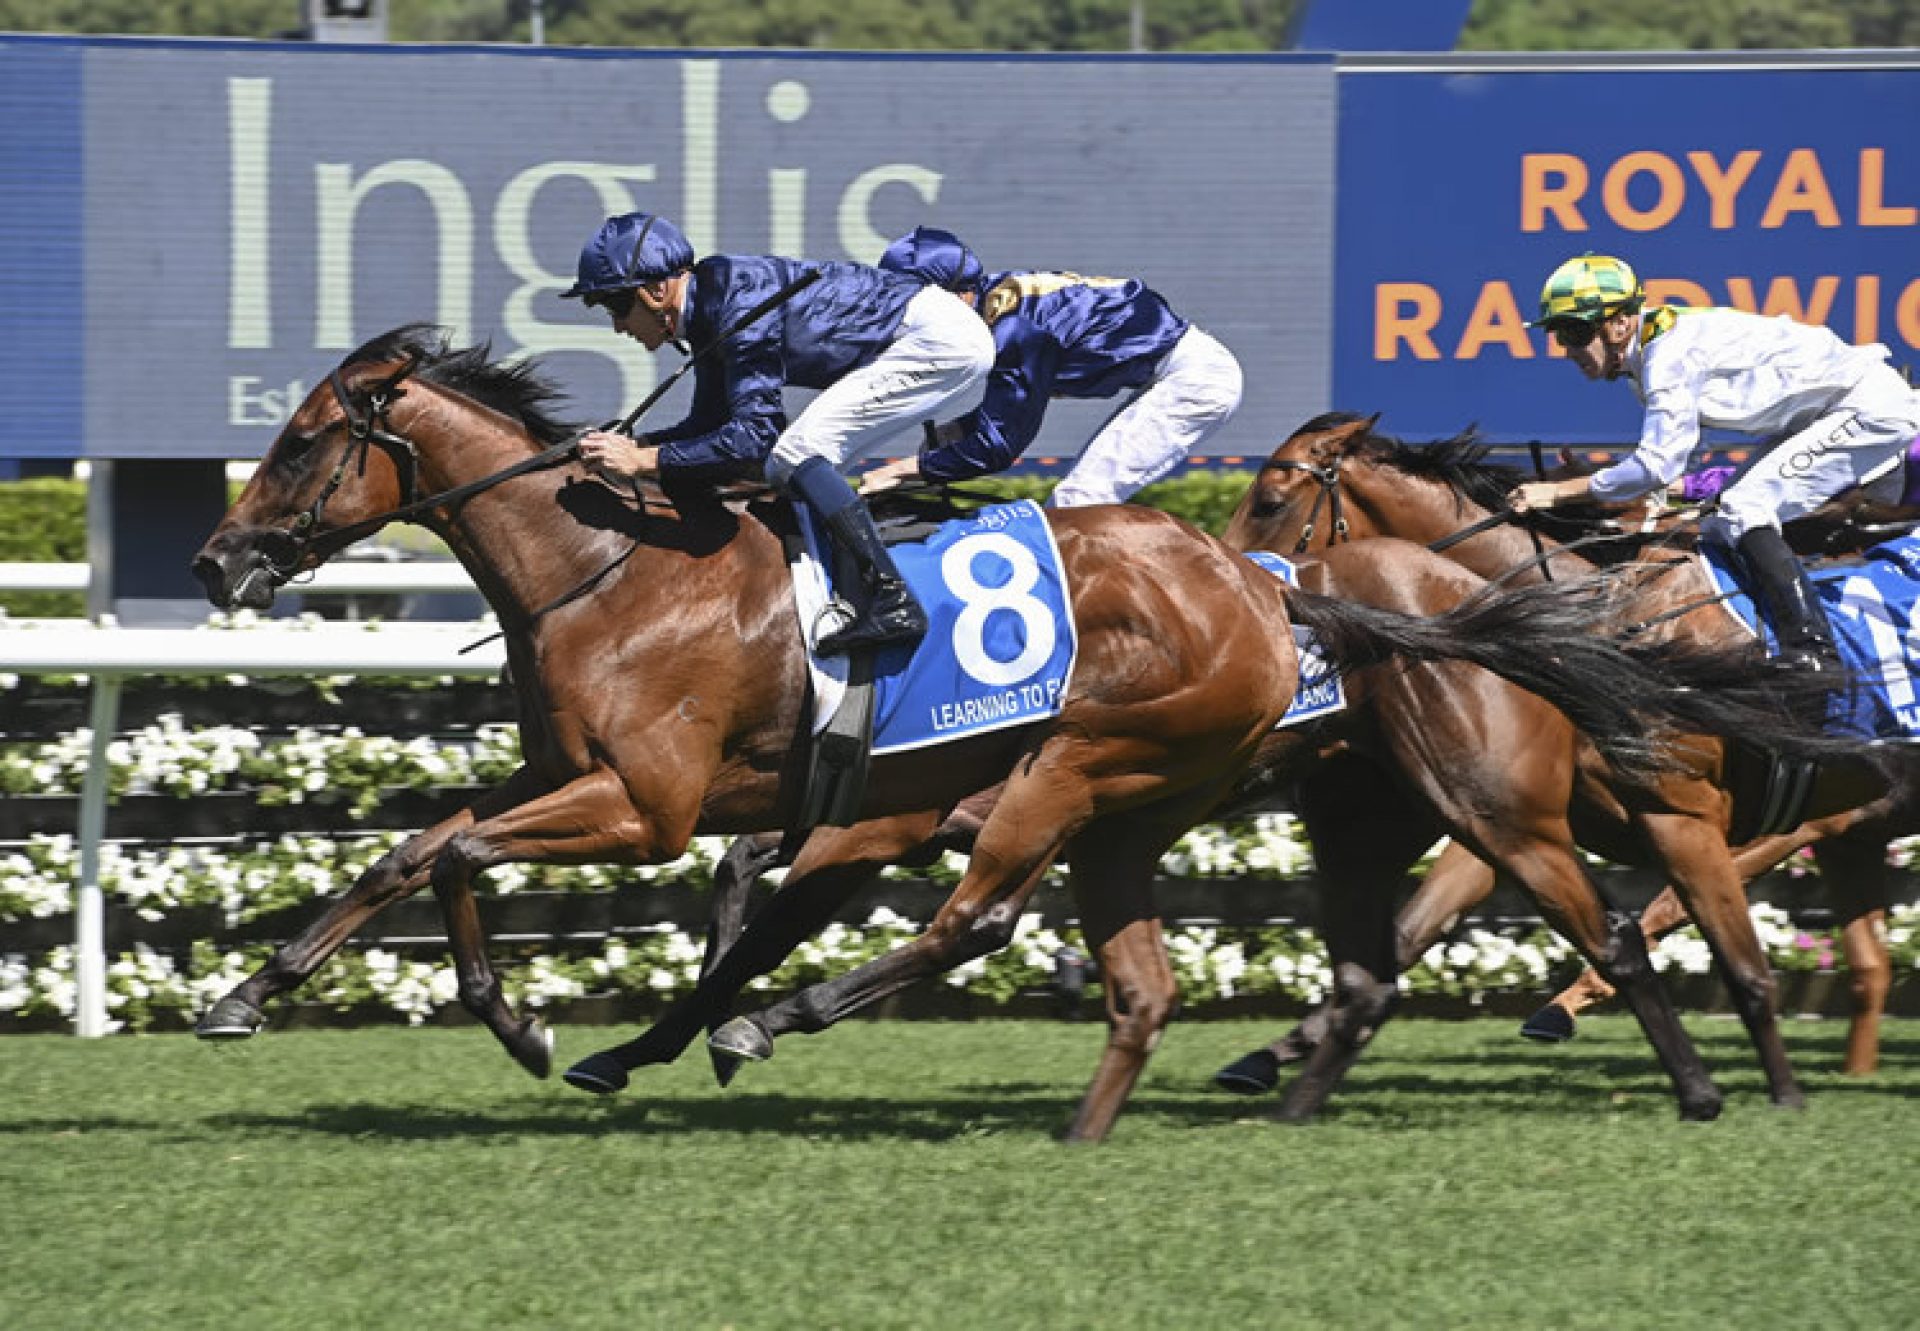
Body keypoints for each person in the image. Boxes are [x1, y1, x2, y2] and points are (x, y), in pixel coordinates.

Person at [563, 212, 995, 654]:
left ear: (656, 291)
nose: (617, 326)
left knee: (794, 453)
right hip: (930, 333)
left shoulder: (734, 303)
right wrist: (636, 446)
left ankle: (890, 598)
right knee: (793, 464)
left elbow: (755, 438)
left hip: (935, 339)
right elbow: (710, 425)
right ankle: (841, 593)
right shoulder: (711, 304)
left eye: (617, 306)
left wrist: (643, 460)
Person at [1508, 252, 1920, 670]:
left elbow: (1657, 466)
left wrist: (1559, 492)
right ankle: (1760, 633)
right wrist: (1602, 482)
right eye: (1560, 335)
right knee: (1720, 519)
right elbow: (1678, 461)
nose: (1568, 350)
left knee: (1745, 508)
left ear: (1620, 324)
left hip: (1865, 407)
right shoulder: (1650, 357)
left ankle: (1814, 651)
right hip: (1826, 412)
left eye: (1575, 332)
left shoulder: (1667, 357)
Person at [861, 226, 1244, 507]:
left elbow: (998, 447)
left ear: (958, 296)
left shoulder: (1014, 329)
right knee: (1076, 503)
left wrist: (897, 470)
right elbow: (1010, 412)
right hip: (1177, 370)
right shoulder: (998, 302)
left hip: (1194, 380)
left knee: (1078, 502)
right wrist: (959, 430)